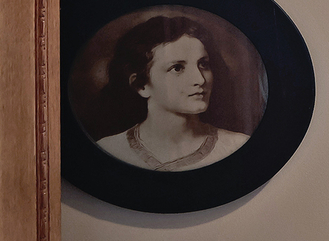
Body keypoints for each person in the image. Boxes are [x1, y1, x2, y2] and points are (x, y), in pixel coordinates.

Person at [93, 15, 249, 171]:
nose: (200, 79)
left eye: (203, 64)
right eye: (177, 68)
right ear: (141, 85)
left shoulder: (236, 145)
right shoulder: (109, 149)